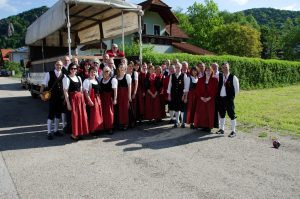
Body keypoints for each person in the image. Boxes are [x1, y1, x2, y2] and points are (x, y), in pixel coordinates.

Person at [63, 63, 89, 140]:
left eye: (75, 68)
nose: (73, 70)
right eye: (72, 69)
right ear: (69, 69)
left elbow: (81, 91)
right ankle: (74, 134)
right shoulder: (66, 78)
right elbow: (65, 92)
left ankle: (80, 132)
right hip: (72, 99)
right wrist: (68, 103)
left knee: (80, 116)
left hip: (80, 99)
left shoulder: (79, 78)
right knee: (74, 117)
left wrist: (83, 101)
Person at [40, 60, 65, 140]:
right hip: (52, 98)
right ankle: (49, 132)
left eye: (60, 65)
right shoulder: (49, 73)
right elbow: (43, 84)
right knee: (51, 114)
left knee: (58, 114)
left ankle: (56, 130)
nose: (59, 66)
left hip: (60, 97)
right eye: (57, 65)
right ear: (55, 65)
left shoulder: (63, 75)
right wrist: (41, 93)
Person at [216, 62, 240, 137]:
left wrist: (231, 97)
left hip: (229, 99)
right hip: (221, 98)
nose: (225, 69)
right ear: (221, 69)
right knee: (222, 114)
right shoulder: (220, 76)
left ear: (229, 67)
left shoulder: (233, 77)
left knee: (231, 114)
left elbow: (237, 90)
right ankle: (222, 129)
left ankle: (233, 131)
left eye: (226, 67)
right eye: (223, 68)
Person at [194, 66, 218, 132]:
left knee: (209, 113)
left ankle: (208, 126)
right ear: (205, 71)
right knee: (202, 113)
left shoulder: (214, 80)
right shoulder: (201, 79)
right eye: (207, 70)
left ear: (211, 72)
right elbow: (197, 90)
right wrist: (201, 97)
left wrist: (209, 98)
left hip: (210, 99)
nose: (208, 72)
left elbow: (215, 90)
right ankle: (202, 125)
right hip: (201, 99)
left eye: (209, 71)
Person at [83, 66, 104, 134]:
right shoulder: (87, 81)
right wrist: (89, 101)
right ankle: (92, 130)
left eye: (94, 72)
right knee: (92, 115)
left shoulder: (96, 80)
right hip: (92, 99)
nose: (93, 73)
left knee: (97, 115)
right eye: (91, 72)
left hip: (97, 99)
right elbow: (85, 92)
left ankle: (97, 128)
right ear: (89, 73)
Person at [167, 62, 188, 128]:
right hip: (174, 94)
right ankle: (177, 121)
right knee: (176, 108)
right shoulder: (171, 75)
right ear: (175, 68)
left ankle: (183, 122)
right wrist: (169, 95)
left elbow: (186, 86)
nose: (177, 68)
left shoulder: (184, 75)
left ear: (181, 68)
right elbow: (169, 86)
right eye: (176, 67)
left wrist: (184, 95)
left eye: (179, 67)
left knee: (182, 108)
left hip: (181, 94)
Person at [100, 66, 118, 134]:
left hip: (109, 98)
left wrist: (115, 99)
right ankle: (105, 126)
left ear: (110, 72)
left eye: (107, 71)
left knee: (110, 113)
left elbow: (115, 90)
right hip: (103, 98)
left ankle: (110, 127)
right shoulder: (101, 80)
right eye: (104, 71)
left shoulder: (113, 80)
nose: (105, 72)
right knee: (104, 113)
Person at [116, 63, 132, 130]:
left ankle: (126, 123)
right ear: (118, 69)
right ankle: (121, 123)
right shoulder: (116, 77)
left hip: (125, 94)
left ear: (125, 68)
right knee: (120, 109)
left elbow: (129, 86)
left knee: (125, 109)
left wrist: (129, 96)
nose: (122, 68)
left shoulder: (127, 76)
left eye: (123, 67)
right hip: (119, 95)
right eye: (120, 67)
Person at [127, 61, 138, 126]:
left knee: (133, 107)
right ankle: (128, 120)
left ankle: (133, 121)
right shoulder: (126, 73)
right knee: (128, 107)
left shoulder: (135, 73)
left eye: (132, 66)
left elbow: (136, 84)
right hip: (127, 91)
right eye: (129, 66)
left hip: (133, 90)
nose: (130, 67)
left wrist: (134, 93)